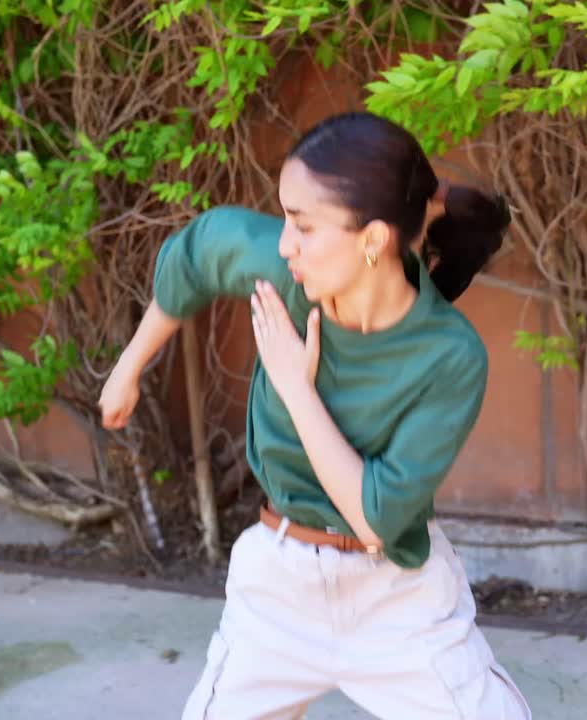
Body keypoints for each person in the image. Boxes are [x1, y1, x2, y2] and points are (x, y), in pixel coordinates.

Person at [97, 111, 531, 720]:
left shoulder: (450, 357)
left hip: (397, 601)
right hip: (278, 587)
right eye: (283, 218)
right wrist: (128, 367)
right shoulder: (284, 279)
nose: (283, 243)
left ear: (374, 239)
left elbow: (377, 517)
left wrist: (295, 387)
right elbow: (198, 251)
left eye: (302, 225)